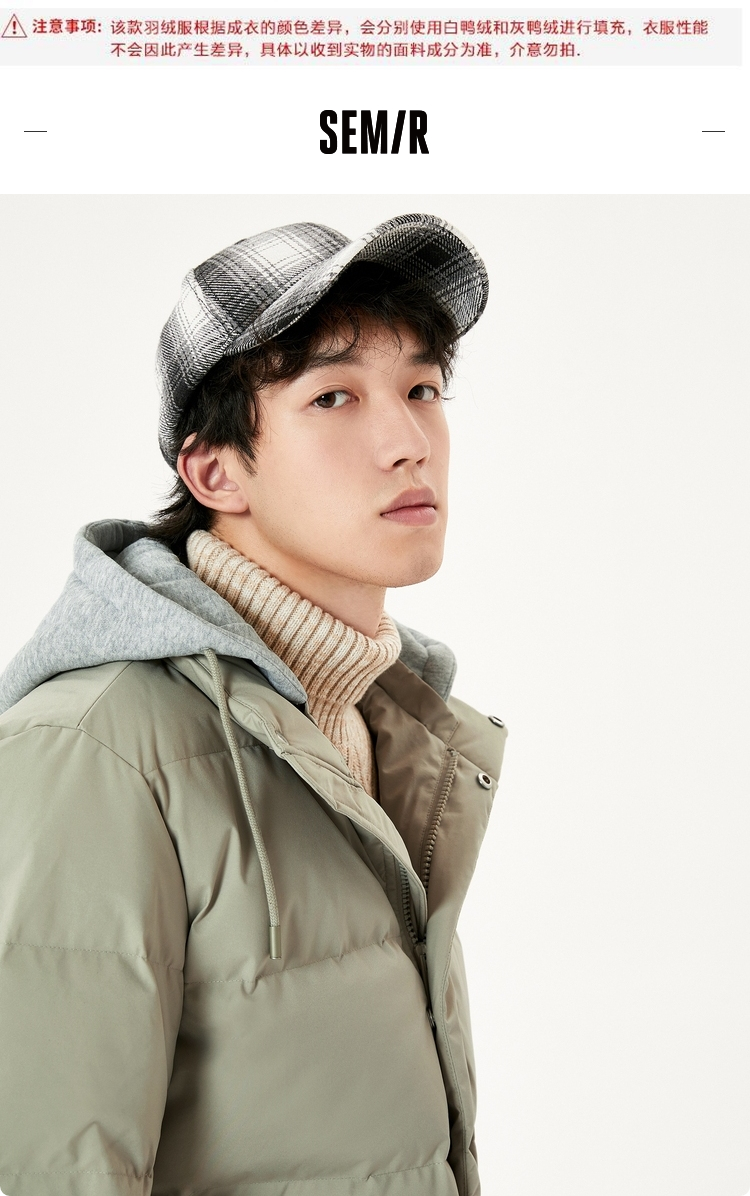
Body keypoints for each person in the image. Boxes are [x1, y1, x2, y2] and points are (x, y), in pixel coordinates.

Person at [0, 213, 508, 1196]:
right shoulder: (92, 750)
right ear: (214, 471)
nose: (408, 441)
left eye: (421, 389)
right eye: (333, 396)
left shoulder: (381, 725)